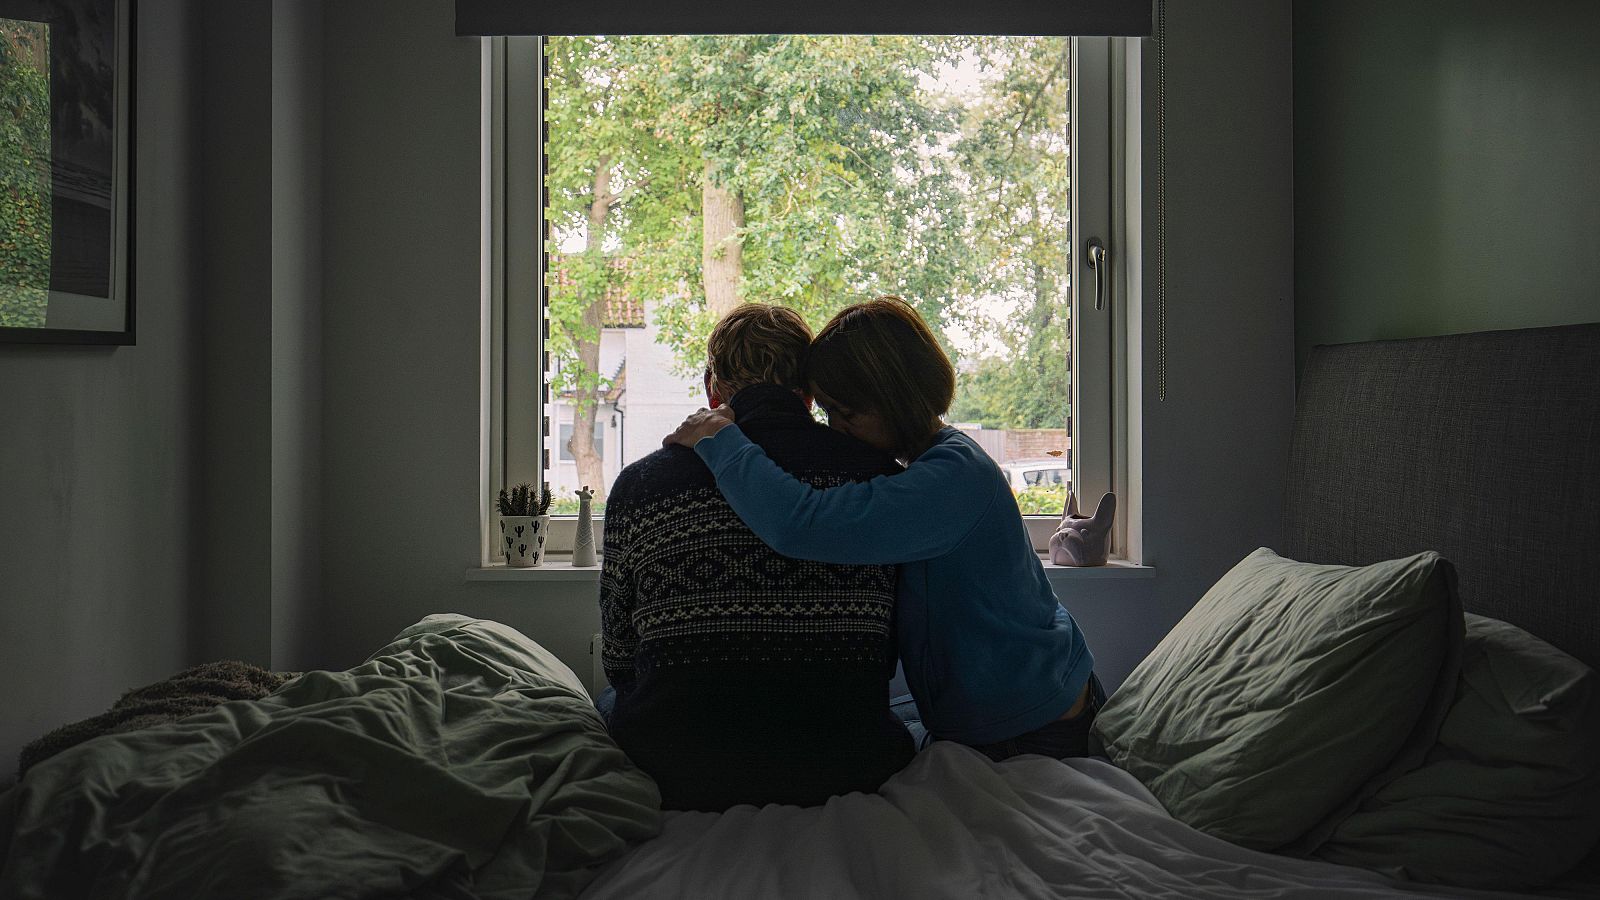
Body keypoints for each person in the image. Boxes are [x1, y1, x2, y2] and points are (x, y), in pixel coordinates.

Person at [665, 296, 1103, 762]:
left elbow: (800, 523)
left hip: (1033, 724)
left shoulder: (951, 480)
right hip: (1013, 701)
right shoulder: (937, 464)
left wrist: (721, 440)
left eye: (845, 413)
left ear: (895, 401)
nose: (834, 429)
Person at [599, 303, 913, 812]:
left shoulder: (640, 485)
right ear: (810, 392)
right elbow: (899, 638)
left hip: (678, 768)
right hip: (845, 763)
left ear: (712, 390)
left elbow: (618, 659)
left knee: (608, 704)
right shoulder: (879, 476)